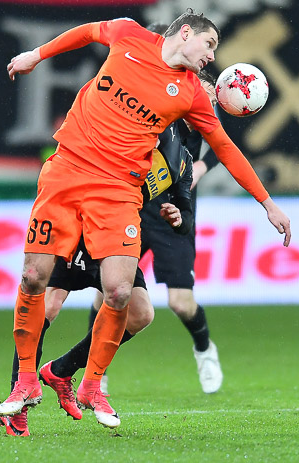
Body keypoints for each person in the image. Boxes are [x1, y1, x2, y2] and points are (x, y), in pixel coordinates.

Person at [0, 8, 291, 433]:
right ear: (186, 33)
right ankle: (24, 382)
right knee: (33, 278)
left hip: (117, 192)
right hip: (66, 172)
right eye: (210, 44)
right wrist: (36, 55)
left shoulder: (191, 94)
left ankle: (91, 385)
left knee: (120, 294)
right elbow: (87, 32)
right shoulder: (128, 35)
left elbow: (225, 148)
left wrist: (267, 203)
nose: (212, 56)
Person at [0, 126, 195, 436]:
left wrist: (180, 218)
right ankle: (19, 399)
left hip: (115, 237)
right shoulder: (127, 127)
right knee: (48, 305)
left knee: (141, 314)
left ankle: (61, 370)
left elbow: (186, 213)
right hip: (81, 227)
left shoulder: (182, 161)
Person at [88, 29, 225, 395]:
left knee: (180, 302)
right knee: (107, 293)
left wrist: (199, 168)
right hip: (131, 203)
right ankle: (96, 370)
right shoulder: (153, 93)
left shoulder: (198, 96)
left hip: (175, 207)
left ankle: (204, 349)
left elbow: (221, 144)